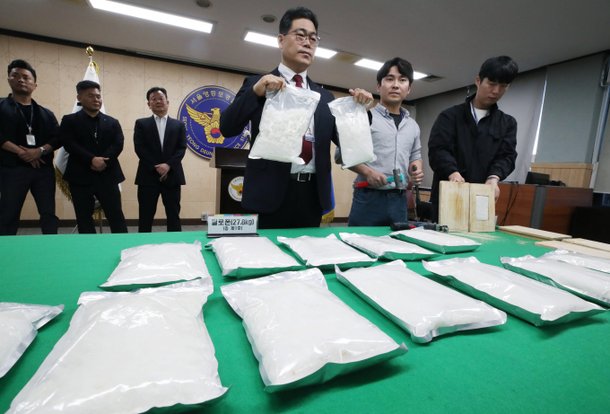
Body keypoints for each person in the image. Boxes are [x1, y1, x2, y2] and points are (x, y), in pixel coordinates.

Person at [219, 6, 373, 229]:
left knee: (308, 261)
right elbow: (227, 128)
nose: (308, 42)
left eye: (313, 38)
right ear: (281, 40)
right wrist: (256, 92)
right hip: (268, 196)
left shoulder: (324, 97)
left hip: (311, 197)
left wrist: (360, 111)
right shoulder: (258, 84)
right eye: (300, 35)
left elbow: (345, 141)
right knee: (268, 260)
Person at [428, 55, 519, 221]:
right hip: (448, 194)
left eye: (503, 86)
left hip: (482, 197)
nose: (496, 91)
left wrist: (494, 178)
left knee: (478, 241)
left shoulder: (507, 123)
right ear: (478, 80)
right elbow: (438, 150)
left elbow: (507, 156)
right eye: (491, 84)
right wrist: (452, 172)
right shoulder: (450, 116)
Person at [341, 57, 423, 226]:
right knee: (360, 246)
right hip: (368, 197)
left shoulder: (413, 126)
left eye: (402, 80)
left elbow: (415, 155)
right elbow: (342, 154)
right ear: (379, 86)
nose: (395, 85)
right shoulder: (364, 117)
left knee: (397, 248)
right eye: (389, 79)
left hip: (399, 201)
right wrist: (368, 172)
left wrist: (417, 170)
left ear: (409, 89)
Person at [0, 59, 60, 235]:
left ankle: (51, 247)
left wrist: (39, 151)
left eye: (26, 77)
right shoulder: (1, 107)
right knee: (8, 213)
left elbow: (57, 138)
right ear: (9, 79)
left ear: (35, 84)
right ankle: (5, 251)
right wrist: (21, 152)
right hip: (12, 169)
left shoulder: (46, 113)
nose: (21, 80)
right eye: (15, 76)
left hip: (42, 170)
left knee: (48, 213)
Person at [60, 80, 128, 233]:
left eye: (98, 96)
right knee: (84, 218)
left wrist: (103, 160)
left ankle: (123, 249)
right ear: (79, 98)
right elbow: (69, 143)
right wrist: (91, 159)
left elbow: (118, 144)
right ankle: (89, 250)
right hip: (80, 176)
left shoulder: (112, 122)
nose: (96, 99)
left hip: (108, 174)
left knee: (116, 216)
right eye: (90, 96)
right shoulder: (69, 120)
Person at [133, 87, 186, 232]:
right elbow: (139, 148)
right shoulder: (141, 124)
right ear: (148, 104)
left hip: (172, 175)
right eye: (153, 99)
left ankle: (175, 247)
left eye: (161, 98)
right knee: (145, 215)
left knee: (173, 214)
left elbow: (181, 148)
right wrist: (156, 166)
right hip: (148, 176)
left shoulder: (179, 125)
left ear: (167, 102)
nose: (158, 101)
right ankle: (143, 247)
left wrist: (168, 165)